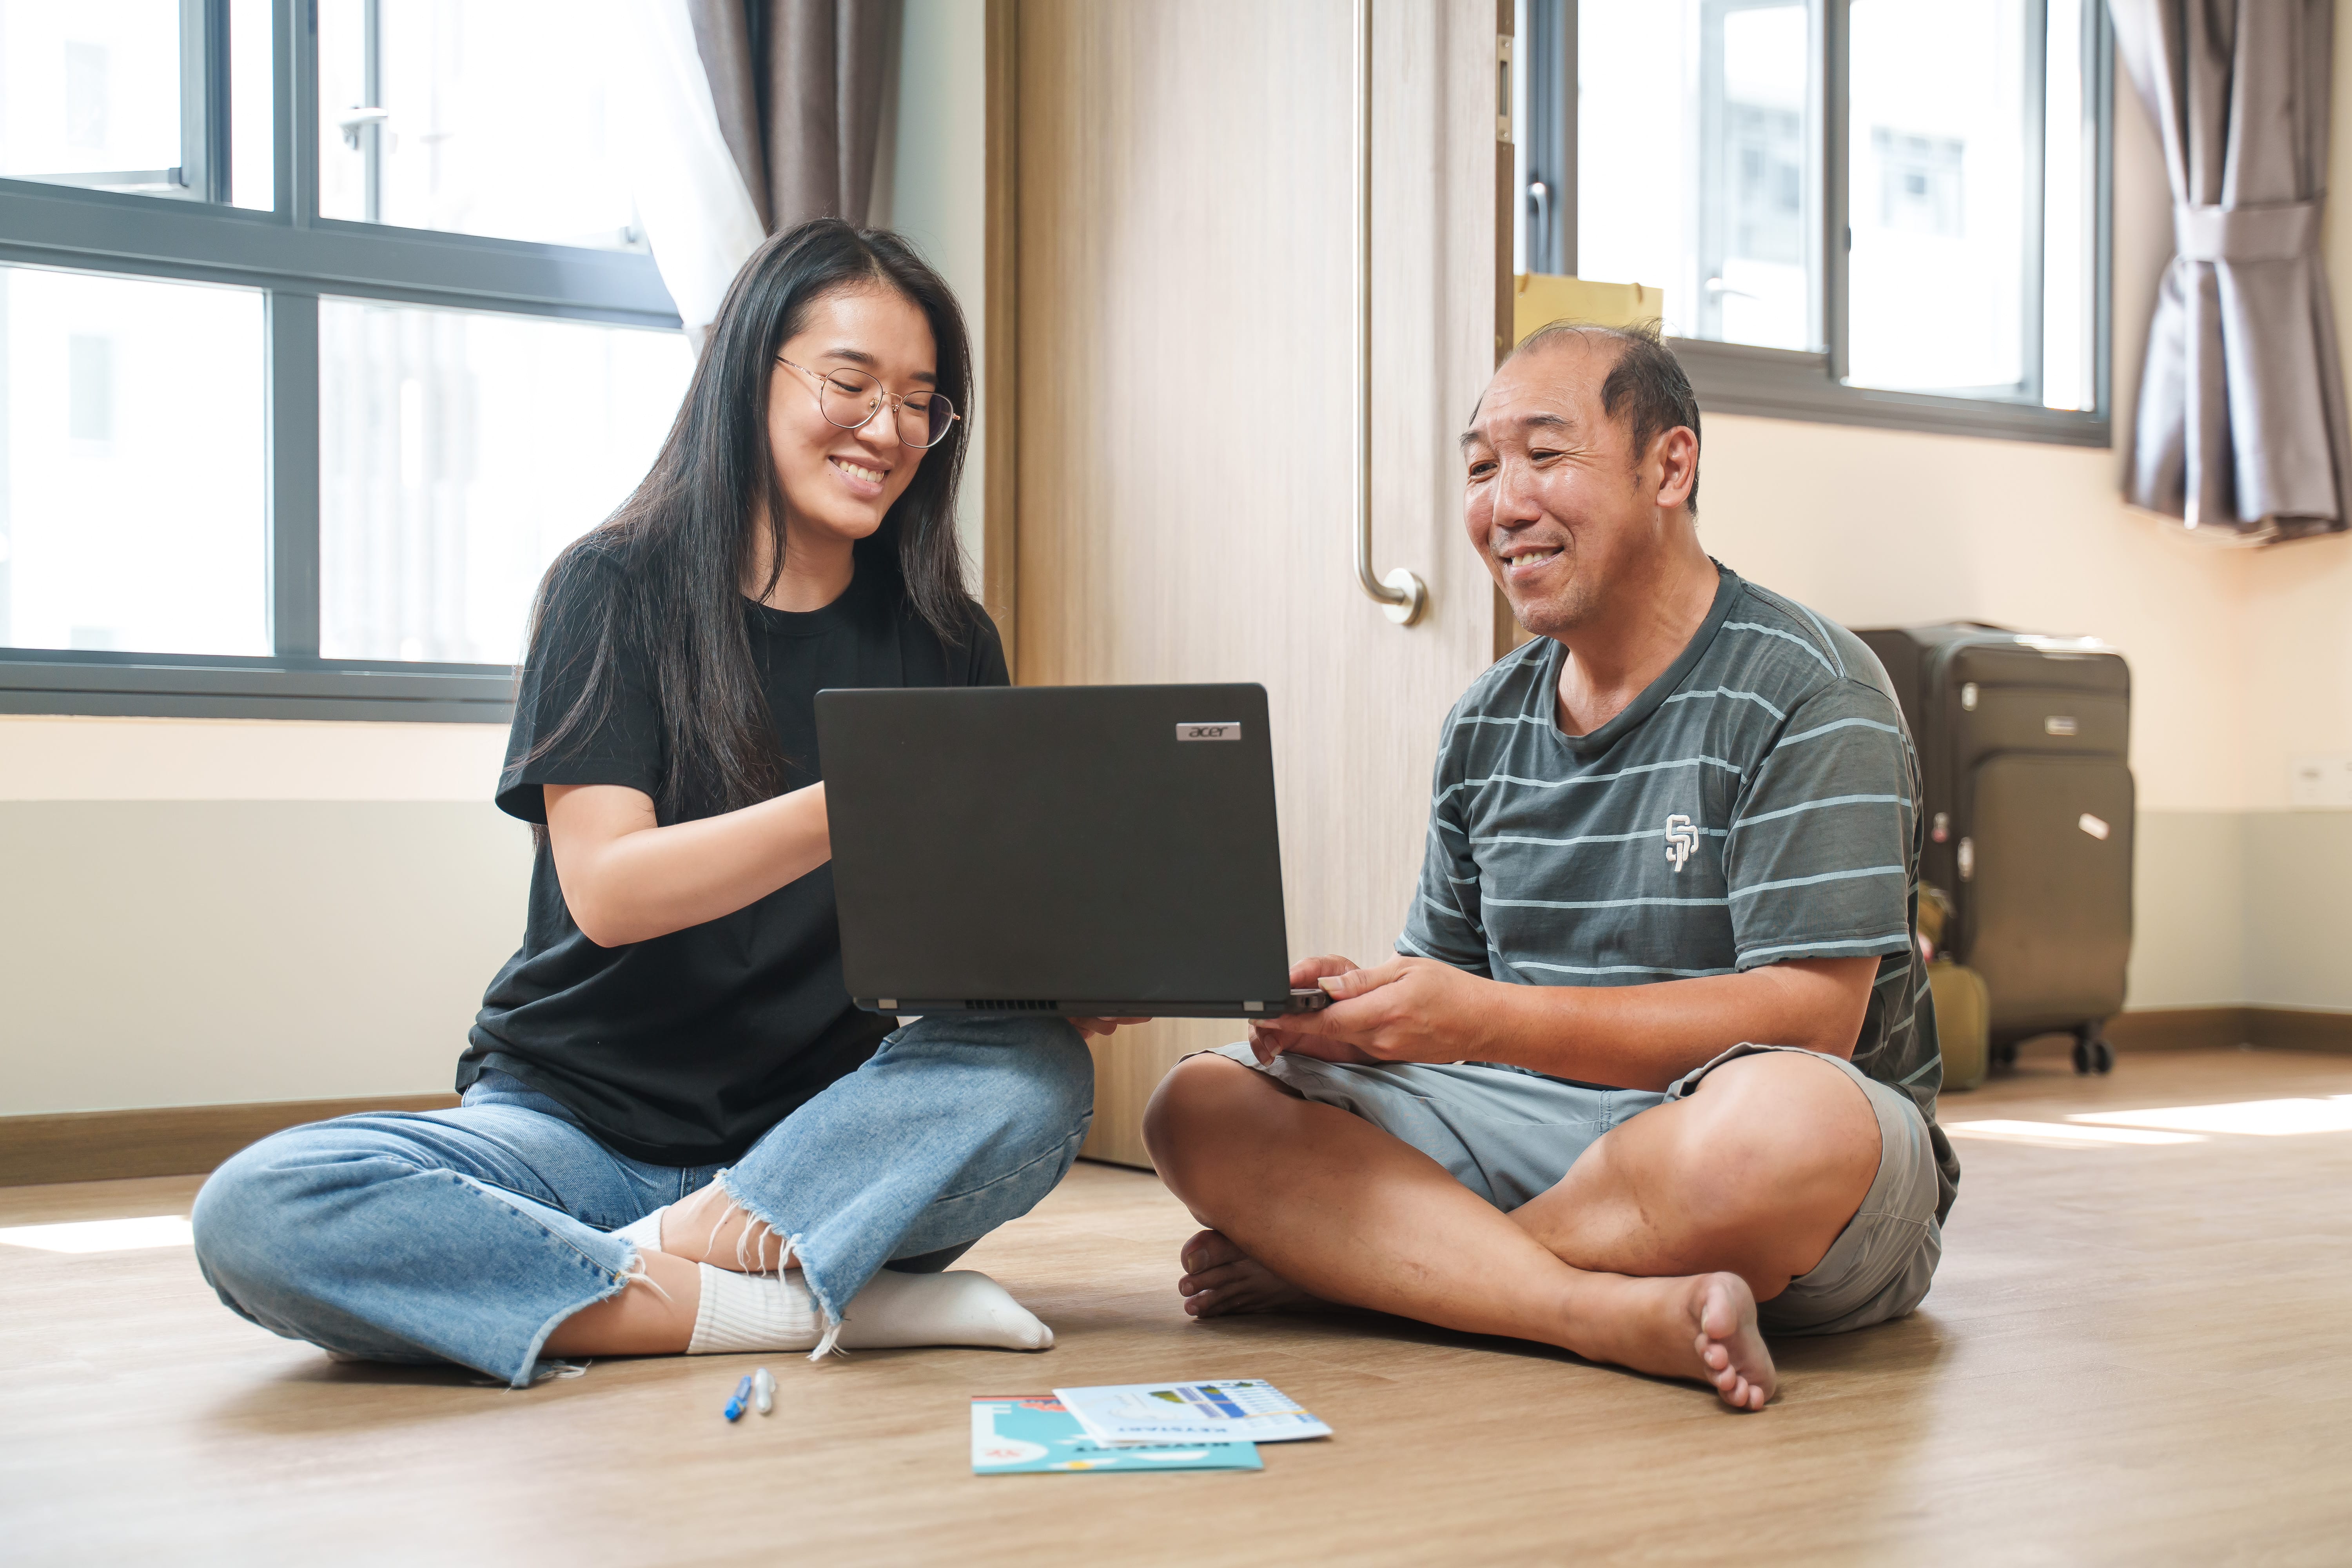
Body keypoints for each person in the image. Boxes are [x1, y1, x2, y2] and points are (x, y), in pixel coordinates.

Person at [192, 220, 1129, 1388]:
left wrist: (1065, 971)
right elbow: (613, 893)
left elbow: (949, 941)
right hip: (575, 1132)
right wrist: (861, 800)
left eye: (921, 403)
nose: (887, 431)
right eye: (851, 383)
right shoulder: (614, 588)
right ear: (750, 374)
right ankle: (791, 1304)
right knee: (265, 1209)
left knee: (1035, 1073)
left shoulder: (944, 640)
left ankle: (656, 1270)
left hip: (818, 1145)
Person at [1143, 322, 1956, 1412]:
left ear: (1669, 465)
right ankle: (1596, 1311)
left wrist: (1470, 1033)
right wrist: (1359, 1021)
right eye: (1481, 468)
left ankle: (1400, 1275)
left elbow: (1813, 1024)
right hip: (1550, 1136)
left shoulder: (1811, 689)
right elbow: (1449, 1032)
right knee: (1196, 1108)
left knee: (1781, 1125)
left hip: (1769, 1171)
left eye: (1544, 454)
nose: (1503, 504)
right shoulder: (1486, 721)